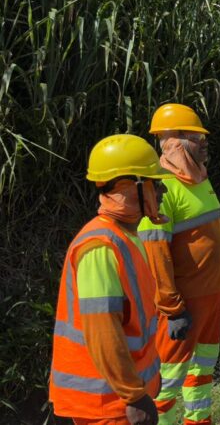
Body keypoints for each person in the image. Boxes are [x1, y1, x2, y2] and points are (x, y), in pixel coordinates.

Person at [50, 134, 173, 424]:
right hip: (107, 404)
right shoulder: (101, 247)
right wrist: (134, 396)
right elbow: (103, 330)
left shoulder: (124, 237)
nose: (162, 191)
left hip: (118, 397)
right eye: (155, 183)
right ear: (129, 188)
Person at [138, 103, 220, 424]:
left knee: (203, 370)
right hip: (182, 307)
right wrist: (172, 308)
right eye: (197, 136)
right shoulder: (162, 189)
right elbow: (155, 255)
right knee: (165, 383)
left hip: (212, 298)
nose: (205, 141)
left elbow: (214, 234)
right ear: (175, 140)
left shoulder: (200, 179)